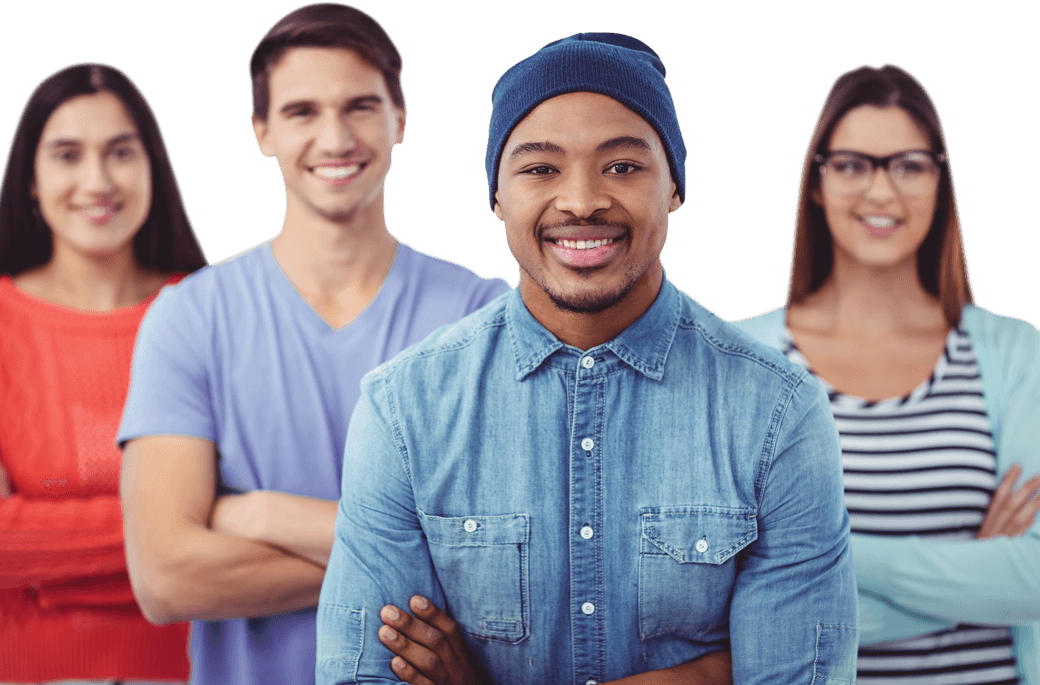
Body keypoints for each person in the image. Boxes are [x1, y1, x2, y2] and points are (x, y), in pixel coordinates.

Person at [316, 32, 859, 685]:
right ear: (496, 196)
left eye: (623, 166)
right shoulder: (403, 408)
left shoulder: (777, 413)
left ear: (675, 188)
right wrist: (711, 673)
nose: (581, 201)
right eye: (540, 168)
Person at [116, 4, 509, 685]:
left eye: (360, 106)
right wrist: (411, 554)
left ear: (400, 120)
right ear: (262, 131)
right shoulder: (190, 318)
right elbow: (165, 577)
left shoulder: (483, 314)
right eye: (302, 112)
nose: (335, 136)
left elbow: (503, 560)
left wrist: (261, 513)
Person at [733, 63, 1040, 684]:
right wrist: (972, 570)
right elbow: (734, 614)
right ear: (816, 182)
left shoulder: (1016, 355)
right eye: (852, 164)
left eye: (909, 164)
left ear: (940, 181)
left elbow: (1033, 581)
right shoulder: (741, 359)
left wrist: (819, 563)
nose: (881, 192)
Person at [0, 62, 207, 683]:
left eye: (120, 153)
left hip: (191, 670)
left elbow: (269, 507)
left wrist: (40, 561)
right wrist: (181, 529)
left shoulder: (215, 314)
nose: (97, 181)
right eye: (68, 155)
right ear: (32, 182)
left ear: (153, 167)